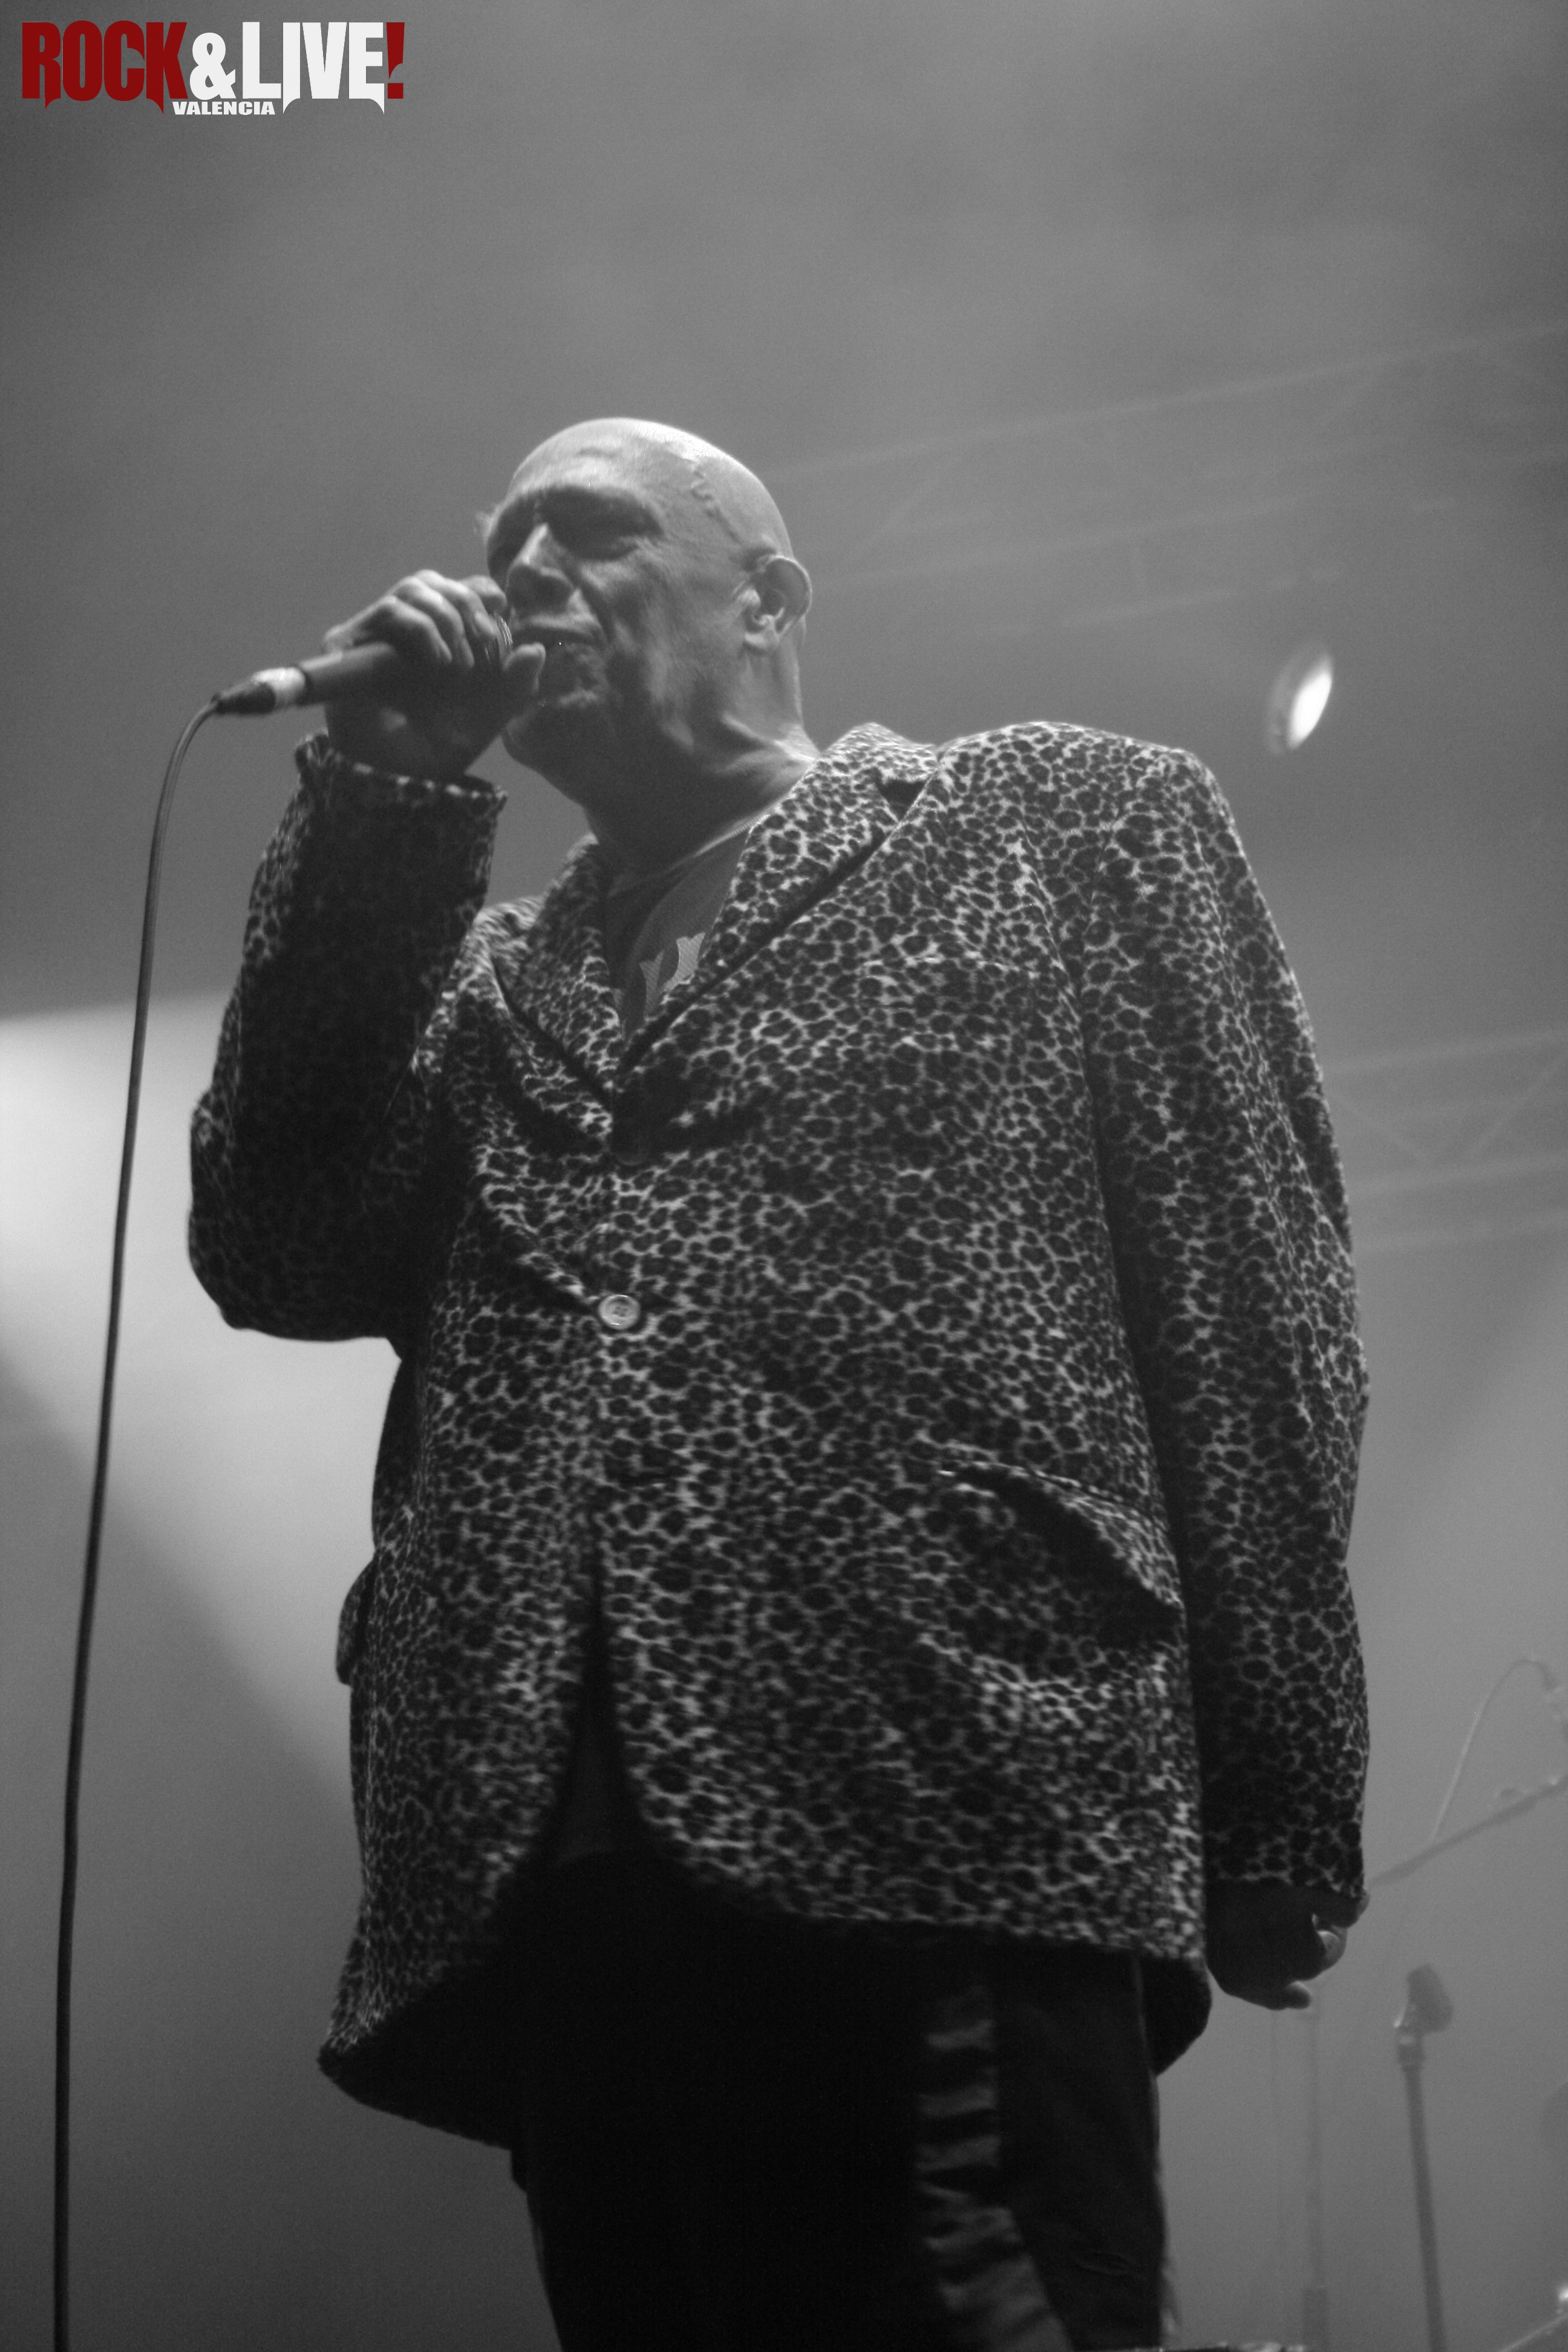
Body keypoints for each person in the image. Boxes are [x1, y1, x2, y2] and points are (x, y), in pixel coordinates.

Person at [189, 417, 1370, 2351]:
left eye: (589, 530)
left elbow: (1253, 1308)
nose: (523, 572)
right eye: (506, 540)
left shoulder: (1058, 820)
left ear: (770, 597)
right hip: (552, 1852)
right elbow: (281, 1249)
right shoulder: (487, 984)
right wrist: (385, 800)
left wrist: (1280, 1797)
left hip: (945, 1776)